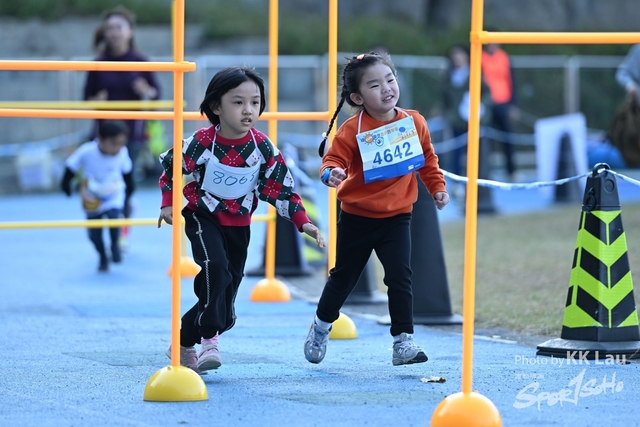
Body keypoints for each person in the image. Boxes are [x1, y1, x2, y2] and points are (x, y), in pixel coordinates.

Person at [157, 67, 325, 374]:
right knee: (216, 270)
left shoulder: (262, 148)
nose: (248, 110)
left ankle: (183, 340)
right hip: (202, 217)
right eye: (237, 102)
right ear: (216, 107)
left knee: (228, 310)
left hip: (239, 225)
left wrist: (304, 222)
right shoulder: (200, 143)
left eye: (255, 102)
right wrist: (168, 204)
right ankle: (209, 339)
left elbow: (280, 189)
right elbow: (171, 168)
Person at [305, 52, 449, 366]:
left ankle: (403, 343)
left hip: (398, 217)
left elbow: (427, 159)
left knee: (400, 277)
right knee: (343, 279)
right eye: (374, 85)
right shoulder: (351, 129)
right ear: (357, 97)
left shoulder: (414, 122)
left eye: (390, 79)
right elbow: (331, 162)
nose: (386, 88)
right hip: (358, 217)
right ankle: (320, 326)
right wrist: (333, 174)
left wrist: (437, 187)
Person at [84, 6, 161, 246]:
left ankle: (121, 232)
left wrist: (146, 92)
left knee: (126, 185)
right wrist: (96, 101)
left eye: (119, 27)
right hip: (103, 134)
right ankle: (101, 226)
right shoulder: (98, 63)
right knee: (99, 184)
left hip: (131, 134)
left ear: (130, 31)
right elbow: (85, 99)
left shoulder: (140, 61)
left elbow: (157, 96)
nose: (114, 32)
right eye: (109, 28)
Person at [61, 120, 134, 272]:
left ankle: (115, 245)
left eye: (121, 143)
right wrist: (66, 185)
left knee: (114, 217)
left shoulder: (122, 152)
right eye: (114, 143)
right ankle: (102, 256)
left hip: (114, 193)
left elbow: (127, 174)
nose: (118, 148)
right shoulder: (87, 151)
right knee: (94, 234)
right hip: (92, 196)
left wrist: (129, 194)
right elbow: (71, 166)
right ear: (101, 140)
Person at [440, 44, 492, 180]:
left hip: (474, 119)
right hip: (456, 120)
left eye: (460, 54)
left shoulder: (475, 73)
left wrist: (482, 107)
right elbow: (444, 98)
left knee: (475, 153)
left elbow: (486, 93)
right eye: (454, 55)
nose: (457, 58)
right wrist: (447, 114)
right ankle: (458, 181)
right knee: (456, 151)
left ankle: (477, 181)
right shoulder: (448, 75)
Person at [482, 40, 518, 180]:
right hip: (487, 104)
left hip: (504, 103)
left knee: (508, 139)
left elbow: (512, 81)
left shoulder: (504, 58)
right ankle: (487, 171)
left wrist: (513, 104)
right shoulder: (480, 58)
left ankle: (511, 171)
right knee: (487, 141)